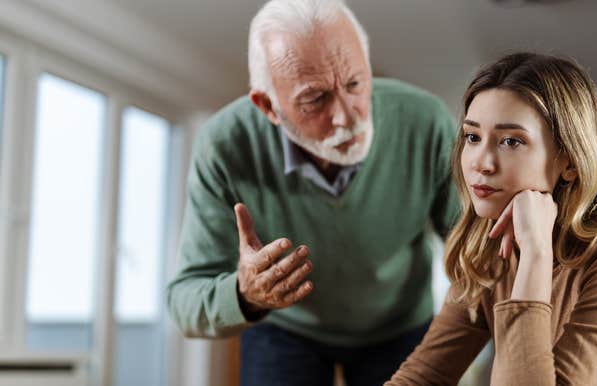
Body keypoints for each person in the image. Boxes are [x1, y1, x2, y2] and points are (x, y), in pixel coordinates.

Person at [165, 1, 459, 385]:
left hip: (400, 324)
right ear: (268, 106)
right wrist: (245, 294)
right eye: (315, 99)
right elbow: (184, 300)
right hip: (285, 328)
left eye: (355, 84)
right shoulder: (223, 145)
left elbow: (471, 247)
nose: (348, 116)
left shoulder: (427, 121)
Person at [387, 53, 597, 385]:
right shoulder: (488, 251)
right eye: (472, 137)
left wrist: (536, 255)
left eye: (511, 141)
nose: (481, 162)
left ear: (569, 162)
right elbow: (421, 378)